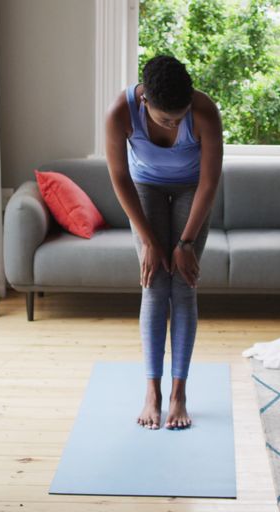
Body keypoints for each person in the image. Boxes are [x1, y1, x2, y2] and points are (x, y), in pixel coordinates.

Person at [104, 55, 224, 430]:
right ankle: (152, 391)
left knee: (184, 286)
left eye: (179, 116)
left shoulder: (204, 112)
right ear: (144, 103)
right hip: (145, 187)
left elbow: (209, 182)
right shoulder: (119, 114)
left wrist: (185, 244)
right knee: (154, 284)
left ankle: (178, 393)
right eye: (165, 119)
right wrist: (149, 240)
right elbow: (120, 179)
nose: (174, 124)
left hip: (192, 188)